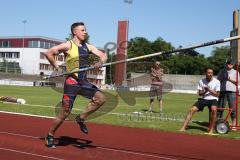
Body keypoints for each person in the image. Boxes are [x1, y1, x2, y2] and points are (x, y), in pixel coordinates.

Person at [44, 22, 107, 148]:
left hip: (83, 82)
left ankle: (81, 118)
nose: (85, 32)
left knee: (101, 99)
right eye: (82, 30)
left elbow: (103, 55)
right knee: (65, 112)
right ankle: (50, 135)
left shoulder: (88, 46)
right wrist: (57, 67)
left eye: (85, 30)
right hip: (72, 83)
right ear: (75, 32)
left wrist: (100, 62)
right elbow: (49, 53)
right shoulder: (68, 45)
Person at [179, 68, 220, 134]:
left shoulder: (217, 81)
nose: (210, 74)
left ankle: (211, 129)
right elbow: (200, 94)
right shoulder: (201, 81)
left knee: (214, 109)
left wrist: (209, 89)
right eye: (209, 73)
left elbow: (217, 94)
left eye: (211, 73)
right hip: (204, 99)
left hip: (213, 99)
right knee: (192, 109)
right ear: (205, 73)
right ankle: (183, 127)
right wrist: (205, 91)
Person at [217, 60, 239, 130]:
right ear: (226, 64)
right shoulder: (222, 71)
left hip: (232, 91)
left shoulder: (236, 72)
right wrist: (223, 78)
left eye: (231, 64)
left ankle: (234, 124)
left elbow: (237, 82)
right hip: (223, 91)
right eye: (229, 63)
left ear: (233, 65)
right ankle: (219, 122)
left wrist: (229, 79)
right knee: (221, 107)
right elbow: (218, 80)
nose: (230, 65)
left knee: (233, 108)